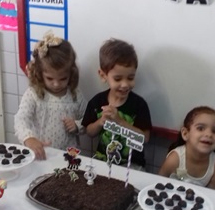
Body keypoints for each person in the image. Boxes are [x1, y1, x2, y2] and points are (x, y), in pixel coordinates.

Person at [81, 38, 152, 170]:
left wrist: (120, 121)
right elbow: (89, 132)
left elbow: (145, 139)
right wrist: (101, 121)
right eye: (118, 79)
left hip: (132, 166)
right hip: (102, 162)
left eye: (130, 78)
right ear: (103, 76)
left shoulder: (139, 105)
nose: (125, 84)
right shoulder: (97, 102)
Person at [14, 32, 86, 160]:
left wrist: (77, 125)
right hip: (41, 155)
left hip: (69, 157)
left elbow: (87, 119)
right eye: (50, 78)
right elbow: (21, 119)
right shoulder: (34, 94)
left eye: (63, 78)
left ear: (71, 73)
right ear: (40, 73)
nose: (56, 84)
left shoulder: (75, 95)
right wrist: (29, 139)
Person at [158, 106, 215, 190]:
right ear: (185, 134)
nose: (209, 134)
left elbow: (213, 197)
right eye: (200, 128)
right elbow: (158, 185)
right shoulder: (174, 159)